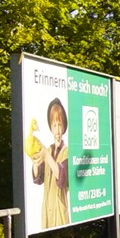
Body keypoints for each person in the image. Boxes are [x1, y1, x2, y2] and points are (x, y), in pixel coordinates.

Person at [32, 97, 70, 229]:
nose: (57, 130)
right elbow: (38, 179)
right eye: (54, 125)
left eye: (60, 124)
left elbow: (62, 178)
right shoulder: (47, 150)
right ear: (50, 127)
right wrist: (36, 163)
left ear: (64, 125)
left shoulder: (68, 152)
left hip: (59, 209)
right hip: (46, 208)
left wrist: (46, 156)